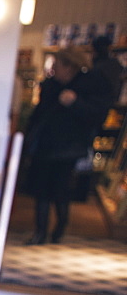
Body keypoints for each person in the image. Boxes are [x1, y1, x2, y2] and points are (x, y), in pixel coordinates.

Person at [23, 47, 108, 245]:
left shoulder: (87, 86)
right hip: (46, 145)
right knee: (42, 190)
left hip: (68, 148)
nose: (53, 70)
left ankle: (59, 229)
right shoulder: (51, 87)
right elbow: (39, 115)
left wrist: (75, 103)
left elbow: (95, 115)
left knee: (60, 190)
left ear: (69, 67)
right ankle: (41, 232)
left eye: (57, 66)